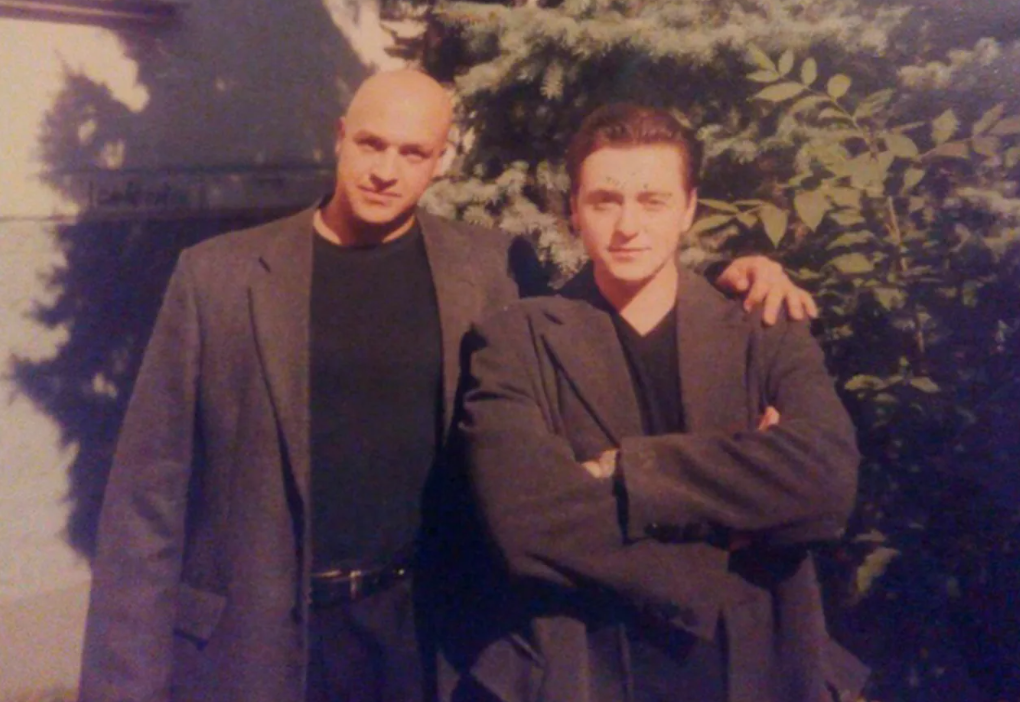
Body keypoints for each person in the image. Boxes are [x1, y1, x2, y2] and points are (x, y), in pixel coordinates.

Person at [79, 70, 819, 702]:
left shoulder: (490, 267)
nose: (386, 169)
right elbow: (147, 496)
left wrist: (728, 274)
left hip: (431, 632)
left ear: (440, 162)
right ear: (340, 136)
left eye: (413, 152)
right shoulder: (220, 276)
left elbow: (604, 288)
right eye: (371, 144)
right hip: (263, 632)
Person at [451, 104, 869, 702]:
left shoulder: (762, 327)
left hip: (754, 664)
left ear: (688, 209)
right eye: (605, 201)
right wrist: (731, 525)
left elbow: (826, 481)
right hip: (586, 666)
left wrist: (630, 470)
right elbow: (523, 520)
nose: (628, 226)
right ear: (575, 211)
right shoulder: (516, 341)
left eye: (652, 201)